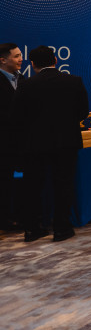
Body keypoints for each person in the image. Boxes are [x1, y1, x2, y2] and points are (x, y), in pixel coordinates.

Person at [14, 46, 89, 242]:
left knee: (33, 187)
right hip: (66, 142)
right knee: (63, 185)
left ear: (33, 64)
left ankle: (32, 229)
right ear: (55, 60)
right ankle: (61, 229)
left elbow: (18, 116)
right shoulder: (74, 81)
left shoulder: (25, 85)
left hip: (34, 144)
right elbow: (83, 112)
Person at [0, 43, 24, 230]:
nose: (21, 59)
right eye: (16, 56)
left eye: (20, 55)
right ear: (3, 60)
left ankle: (20, 214)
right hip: (4, 142)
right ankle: (4, 219)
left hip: (23, 142)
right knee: (4, 182)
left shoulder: (22, 79)